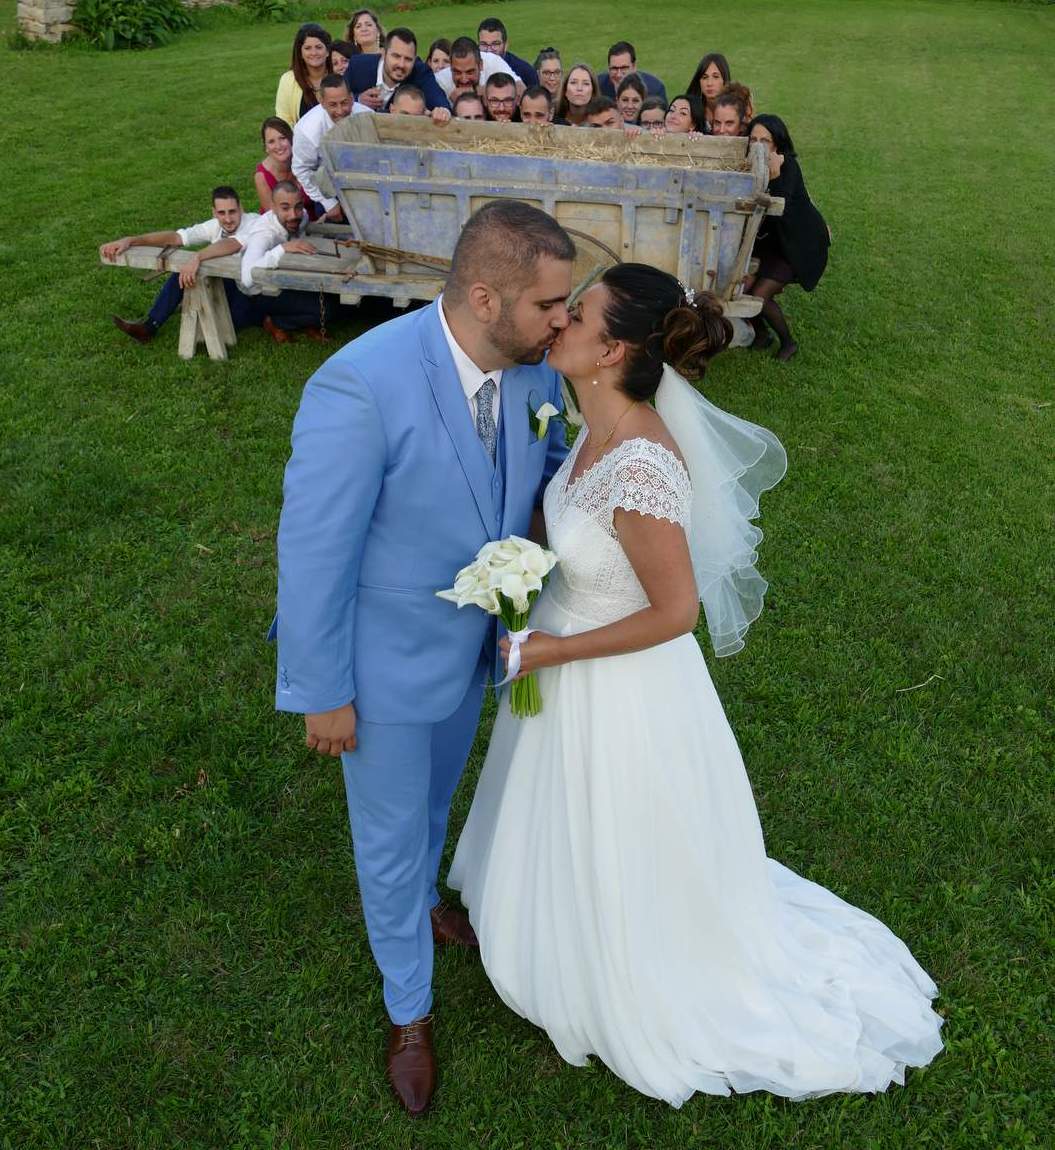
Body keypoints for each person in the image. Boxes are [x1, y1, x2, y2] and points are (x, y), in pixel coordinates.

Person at [448, 262, 945, 1107]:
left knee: (621, 829)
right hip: (571, 657)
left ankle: (628, 959)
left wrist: (547, 653)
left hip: (619, 684)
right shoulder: (590, 424)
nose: (559, 320)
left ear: (611, 350)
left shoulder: (641, 463)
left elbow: (676, 611)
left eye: (579, 314)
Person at [272, 200, 576, 1117]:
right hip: (384, 670)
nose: (562, 322)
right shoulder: (357, 384)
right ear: (486, 298)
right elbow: (315, 548)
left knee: (435, 801)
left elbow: (547, 467)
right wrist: (324, 690)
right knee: (389, 839)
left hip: (474, 655)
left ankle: (423, 913)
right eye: (549, 307)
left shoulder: (530, 379)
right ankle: (409, 1010)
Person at [102, 187, 262, 345]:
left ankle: (264, 318)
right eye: (221, 213)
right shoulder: (214, 225)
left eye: (232, 211)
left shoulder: (254, 223)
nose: (227, 219)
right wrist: (132, 240)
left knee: (231, 321)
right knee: (182, 273)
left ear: (241, 208)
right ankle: (149, 327)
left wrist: (197, 257)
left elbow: (233, 244)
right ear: (214, 212)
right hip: (227, 283)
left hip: (251, 293)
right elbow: (176, 237)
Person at [744, 114, 830, 361]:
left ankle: (788, 343)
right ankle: (761, 335)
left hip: (797, 243)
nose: (758, 146)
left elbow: (779, 210)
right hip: (772, 241)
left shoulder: (787, 165)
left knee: (760, 296)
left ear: (777, 144)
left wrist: (773, 175)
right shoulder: (749, 164)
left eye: (765, 141)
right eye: (753, 140)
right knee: (742, 288)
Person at [240, 181, 329, 344]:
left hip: (289, 281)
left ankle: (302, 320)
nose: (294, 215)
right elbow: (247, 278)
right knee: (327, 310)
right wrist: (283, 248)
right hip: (262, 292)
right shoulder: (264, 233)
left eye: (298, 206)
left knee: (333, 300)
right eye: (285, 208)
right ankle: (276, 322)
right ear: (273, 207)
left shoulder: (303, 218)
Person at [292, 75, 361, 222]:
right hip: (328, 189)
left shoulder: (366, 116)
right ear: (322, 102)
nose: (340, 110)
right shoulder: (306, 130)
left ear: (351, 97)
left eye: (344, 103)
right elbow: (302, 170)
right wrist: (329, 203)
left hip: (363, 185)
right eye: (333, 105)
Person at [344, 27, 451, 113]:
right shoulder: (358, 65)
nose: (401, 64)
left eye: (408, 59)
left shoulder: (421, 72)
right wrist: (358, 99)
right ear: (383, 53)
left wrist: (442, 112)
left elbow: (441, 104)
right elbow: (336, 96)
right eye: (396, 56)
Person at [255, 116, 316, 218]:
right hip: (282, 229)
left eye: (282, 138)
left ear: (291, 139)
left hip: (318, 222)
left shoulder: (305, 160)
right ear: (266, 148)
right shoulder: (262, 177)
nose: (278, 146)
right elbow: (275, 219)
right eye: (271, 142)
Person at [275, 23, 332, 127]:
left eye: (319, 47)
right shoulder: (288, 80)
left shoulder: (338, 76)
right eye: (308, 48)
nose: (314, 53)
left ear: (327, 51)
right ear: (300, 53)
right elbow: (283, 120)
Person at [434, 37, 516, 101]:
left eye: (470, 72)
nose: (464, 80)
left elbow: (519, 87)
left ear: (481, 65)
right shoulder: (439, 81)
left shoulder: (493, 63)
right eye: (458, 72)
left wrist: (487, 93)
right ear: (450, 67)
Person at [477, 16, 538, 87]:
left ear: (506, 45)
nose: (489, 50)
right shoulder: (472, 70)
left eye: (495, 44)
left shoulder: (525, 72)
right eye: (484, 44)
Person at [598, 40, 667, 102]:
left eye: (624, 68)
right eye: (614, 68)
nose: (618, 74)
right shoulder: (598, 86)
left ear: (634, 67)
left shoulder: (654, 90)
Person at [687, 51, 731, 129]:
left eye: (716, 77)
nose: (709, 83)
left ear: (724, 80)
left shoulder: (737, 109)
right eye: (705, 77)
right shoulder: (689, 109)